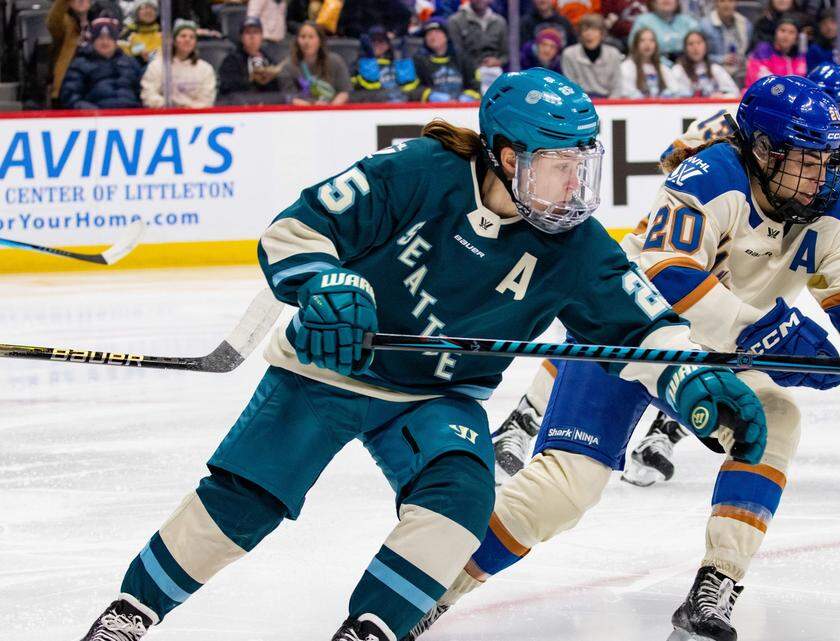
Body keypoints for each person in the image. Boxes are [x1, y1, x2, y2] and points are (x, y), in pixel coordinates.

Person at [76, 68, 766, 641]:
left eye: (583, 166)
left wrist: (692, 376)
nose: (574, 187)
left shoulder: (577, 245)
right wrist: (325, 282)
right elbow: (296, 229)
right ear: (503, 155)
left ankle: (370, 630)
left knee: (463, 497)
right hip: (330, 368)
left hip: (439, 396)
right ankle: (127, 615)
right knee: (248, 497)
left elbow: (639, 326)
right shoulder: (420, 172)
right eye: (558, 168)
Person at [406, 73, 840, 641]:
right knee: (560, 494)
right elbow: (667, 274)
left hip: (718, 350)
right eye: (804, 161)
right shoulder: (714, 173)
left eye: (827, 160)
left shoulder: (838, 198)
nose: (820, 176)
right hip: (631, 334)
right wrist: (760, 329)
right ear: (762, 151)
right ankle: (432, 592)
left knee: (776, 419)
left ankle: (716, 587)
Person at [614, 63, 840, 488]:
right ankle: (529, 415)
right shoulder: (739, 137)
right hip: (701, 243)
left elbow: (838, 268)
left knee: (737, 342)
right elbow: (676, 158)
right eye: (838, 112)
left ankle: (668, 427)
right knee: (607, 321)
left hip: (754, 279)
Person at [58, 16, 142, 109]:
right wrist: (87, 110)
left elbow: (142, 91)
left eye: (109, 38)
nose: (105, 42)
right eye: (100, 38)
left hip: (132, 116)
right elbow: (70, 95)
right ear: (93, 41)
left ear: (115, 41)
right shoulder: (79, 64)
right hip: (96, 117)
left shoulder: (130, 63)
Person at [140, 20, 217, 108]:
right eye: (183, 36)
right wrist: (173, 106)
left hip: (195, 117)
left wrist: (189, 108)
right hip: (164, 116)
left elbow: (207, 101)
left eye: (192, 37)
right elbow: (148, 95)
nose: (187, 40)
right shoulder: (157, 66)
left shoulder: (206, 68)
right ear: (174, 41)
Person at [278, 21, 351, 106]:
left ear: (320, 41)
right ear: (297, 40)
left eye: (311, 37)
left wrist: (330, 108)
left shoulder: (336, 61)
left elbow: (344, 92)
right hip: (302, 113)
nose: (306, 41)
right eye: (302, 37)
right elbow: (289, 97)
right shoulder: (289, 66)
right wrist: (312, 108)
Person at [411, 19, 480, 102]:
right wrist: (429, 95)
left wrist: (467, 96)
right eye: (429, 34)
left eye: (437, 33)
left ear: (446, 37)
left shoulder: (463, 59)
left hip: (461, 107)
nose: (433, 37)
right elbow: (411, 90)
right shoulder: (419, 61)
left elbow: (476, 85)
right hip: (432, 109)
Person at [561, 13, 624, 97]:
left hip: (608, 103)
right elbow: (569, 87)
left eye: (594, 30)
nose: (589, 34)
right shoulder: (569, 54)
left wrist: (610, 106)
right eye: (585, 30)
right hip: (581, 102)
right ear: (580, 33)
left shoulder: (613, 54)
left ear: (601, 33)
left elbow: (617, 86)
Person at [218, 16, 282, 97]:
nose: (252, 37)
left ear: (261, 37)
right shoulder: (231, 61)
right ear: (241, 37)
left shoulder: (269, 61)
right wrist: (250, 79)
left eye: (256, 32)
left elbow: (277, 92)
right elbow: (227, 87)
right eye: (248, 33)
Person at [352, 25, 417, 102]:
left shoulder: (397, 63)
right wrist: (369, 58)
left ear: (388, 45)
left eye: (381, 41)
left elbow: (409, 87)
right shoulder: (357, 65)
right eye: (373, 41)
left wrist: (404, 61)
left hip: (400, 104)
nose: (377, 44)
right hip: (375, 107)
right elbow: (370, 87)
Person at [446, 0, 508, 80]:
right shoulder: (455, 21)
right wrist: (477, 65)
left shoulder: (500, 22)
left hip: (496, 71)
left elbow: (506, 54)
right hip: (467, 73)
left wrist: (498, 62)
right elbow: (456, 53)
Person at [669, 29, 739, 96]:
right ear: (685, 49)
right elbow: (672, 95)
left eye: (699, 43)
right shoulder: (678, 70)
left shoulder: (715, 69)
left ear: (706, 46)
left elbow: (735, 92)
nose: (695, 48)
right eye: (690, 44)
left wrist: (722, 96)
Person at [618, 27, 684, 97]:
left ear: (656, 45)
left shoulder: (663, 68)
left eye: (651, 40)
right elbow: (626, 93)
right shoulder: (626, 67)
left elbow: (675, 91)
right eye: (642, 40)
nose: (647, 44)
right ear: (635, 44)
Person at [699, 0, 751, 83]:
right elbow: (698, 56)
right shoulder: (704, 25)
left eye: (730, 1)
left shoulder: (745, 24)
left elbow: (750, 52)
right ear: (716, 3)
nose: (726, 4)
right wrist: (721, 59)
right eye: (722, 1)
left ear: (736, 3)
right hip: (715, 71)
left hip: (741, 70)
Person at [745, 18, 806, 85]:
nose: (786, 35)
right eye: (782, 30)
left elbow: (800, 82)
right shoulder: (763, 49)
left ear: (796, 38)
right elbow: (759, 80)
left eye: (791, 32)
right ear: (775, 32)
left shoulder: (799, 56)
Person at [628, 0, 700, 58]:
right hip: (654, 66)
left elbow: (701, 45)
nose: (666, 0)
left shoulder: (688, 21)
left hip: (686, 67)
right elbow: (634, 47)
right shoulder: (643, 21)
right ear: (653, 2)